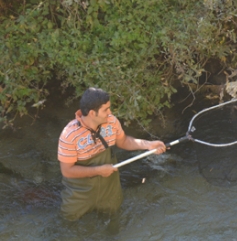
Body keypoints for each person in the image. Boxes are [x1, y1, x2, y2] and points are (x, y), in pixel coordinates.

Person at [57, 87, 167, 220]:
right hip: (79, 193)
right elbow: (67, 171)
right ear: (92, 113)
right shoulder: (69, 135)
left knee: (113, 221)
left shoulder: (112, 121)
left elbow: (124, 141)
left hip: (110, 189)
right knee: (69, 223)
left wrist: (148, 145)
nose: (110, 112)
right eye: (105, 109)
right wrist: (98, 170)